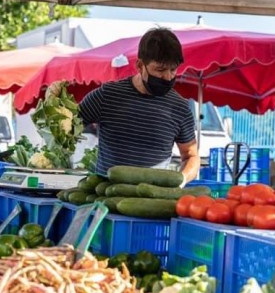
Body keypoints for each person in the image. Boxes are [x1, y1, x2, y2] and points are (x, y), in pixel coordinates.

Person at [78, 27, 200, 185]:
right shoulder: (107, 96)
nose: (168, 77)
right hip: (106, 200)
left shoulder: (180, 108)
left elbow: (191, 156)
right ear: (140, 65)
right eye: (160, 69)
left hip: (152, 203)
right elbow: (69, 126)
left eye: (173, 70)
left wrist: (181, 180)